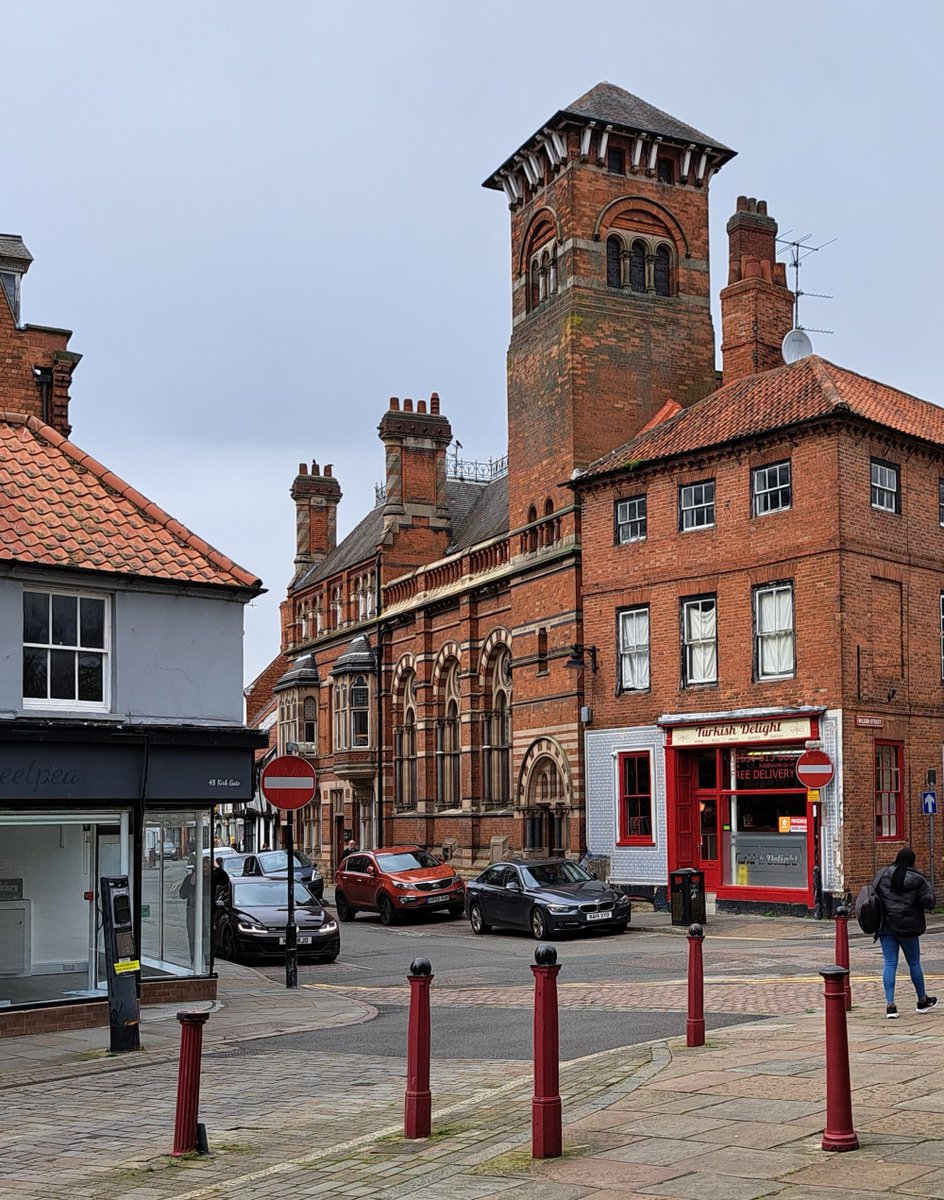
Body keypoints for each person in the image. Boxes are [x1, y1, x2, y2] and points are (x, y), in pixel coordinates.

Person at [873, 847, 937, 1018]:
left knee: (889, 963)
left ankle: (890, 1005)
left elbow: (874, 896)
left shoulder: (882, 875)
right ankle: (922, 1001)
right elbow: (930, 903)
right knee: (914, 963)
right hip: (908, 928)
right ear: (912, 862)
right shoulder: (917, 879)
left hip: (886, 927)